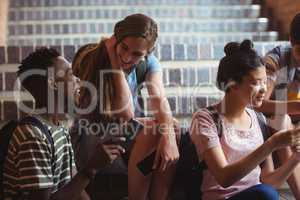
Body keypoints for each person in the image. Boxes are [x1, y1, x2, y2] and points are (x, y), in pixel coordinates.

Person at [72, 13, 179, 200]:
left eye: (137, 54)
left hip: (123, 137)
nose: (128, 57)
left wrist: (169, 138)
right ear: (116, 40)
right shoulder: (91, 57)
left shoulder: (149, 63)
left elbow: (159, 98)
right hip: (92, 140)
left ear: (149, 52)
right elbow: (125, 113)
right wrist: (114, 61)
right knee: (153, 129)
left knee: (172, 127)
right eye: (124, 47)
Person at [3, 48, 125, 200]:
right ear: (53, 84)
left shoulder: (59, 126)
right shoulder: (33, 135)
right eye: (70, 74)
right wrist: (91, 168)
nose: (78, 80)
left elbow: (73, 185)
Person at [190, 40, 300, 200]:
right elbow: (224, 178)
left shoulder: (257, 118)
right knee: (265, 194)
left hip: (258, 195)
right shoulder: (206, 119)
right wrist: (272, 144)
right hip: (223, 197)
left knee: (268, 193)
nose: (263, 89)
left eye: (265, 81)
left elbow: (269, 181)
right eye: (256, 83)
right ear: (232, 84)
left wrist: (295, 158)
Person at [256, 12, 300, 198]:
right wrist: (296, 107)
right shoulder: (275, 61)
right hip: (271, 125)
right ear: (290, 41)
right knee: (282, 120)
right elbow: (259, 104)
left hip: (294, 125)